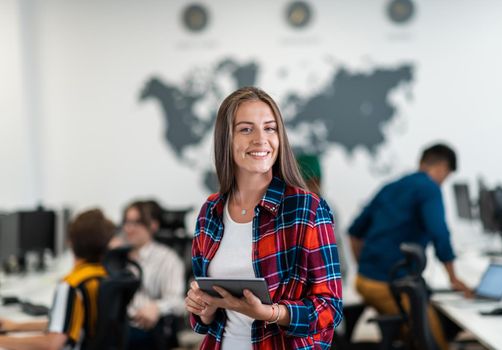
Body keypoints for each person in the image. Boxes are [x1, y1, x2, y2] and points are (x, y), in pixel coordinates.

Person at [184, 87, 343, 349]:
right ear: (227, 139)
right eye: (247, 129)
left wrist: (270, 313)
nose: (261, 139)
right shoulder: (210, 211)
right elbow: (205, 319)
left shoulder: (307, 208)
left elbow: (330, 309)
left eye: (270, 128)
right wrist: (203, 307)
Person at [347, 143, 472, 350]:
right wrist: (454, 278)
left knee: (415, 334)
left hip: (364, 281)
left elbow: (354, 232)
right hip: (388, 284)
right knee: (435, 342)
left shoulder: (392, 186)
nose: (443, 182)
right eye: (446, 176)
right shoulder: (429, 188)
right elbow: (439, 233)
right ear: (442, 168)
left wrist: (366, 266)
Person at [0, 209, 115, 350]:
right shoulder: (101, 275)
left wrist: (3, 341)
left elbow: (52, 343)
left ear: (71, 242)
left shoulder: (72, 285)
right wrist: (16, 327)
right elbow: (67, 324)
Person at [121, 200, 185, 350]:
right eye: (127, 222)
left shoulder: (167, 259)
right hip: (118, 326)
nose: (129, 228)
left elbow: (177, 301)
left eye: (137, 223)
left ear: (153, 226)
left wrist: (157, 307)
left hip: (146, 330)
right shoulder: (118, 257)